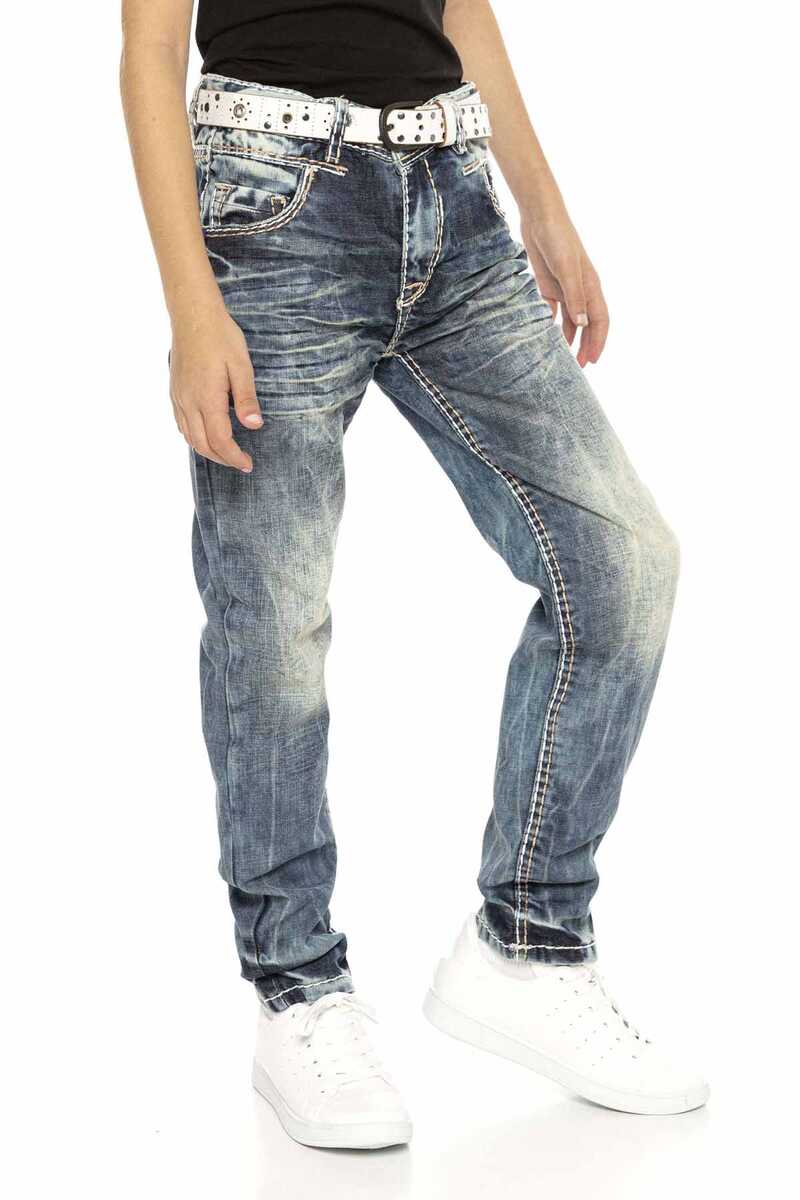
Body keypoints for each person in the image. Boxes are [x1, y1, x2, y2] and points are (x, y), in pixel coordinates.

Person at [121, 0, 708, 1150]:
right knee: (274, 621)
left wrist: (543, 208)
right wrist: (191, 304)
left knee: (620, 561)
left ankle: (528, 945)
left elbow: (462, 8)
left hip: (455, 201)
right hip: (271, 205)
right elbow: (148, 49)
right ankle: (295, 988)